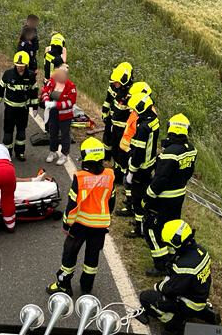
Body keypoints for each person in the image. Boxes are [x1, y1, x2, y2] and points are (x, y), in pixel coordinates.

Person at [47, 137, 116, 296]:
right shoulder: (110, 175)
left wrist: (66, 225)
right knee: (92, 259)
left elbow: (72, 205)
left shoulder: (80, 178)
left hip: (79, 225)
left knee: (69, 255)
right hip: (99, 227)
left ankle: (63, 285)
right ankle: (86, 287)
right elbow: (111, 202)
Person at [136, 220, 219, 334]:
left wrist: (158, 286)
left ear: (176, 243)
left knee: (145, 297)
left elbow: (170, 290)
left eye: (169, 245)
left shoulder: (183, 266)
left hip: (188, 304)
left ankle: (175, 324)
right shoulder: (202, 251)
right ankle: (205, 313)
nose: (169, 247)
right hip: (200, 297)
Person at [144, 113, 196, 276]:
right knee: (172, 226)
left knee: (151, 228)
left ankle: (161, 264)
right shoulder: (191, 149)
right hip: (179, 195)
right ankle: (174, 256)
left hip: (164, 199)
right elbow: (188, 172)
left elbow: (160, 179)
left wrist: (148, 196)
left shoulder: (169, 153)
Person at [124, 81, 160, 238]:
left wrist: (132, 170)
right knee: (144, 195)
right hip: (150, 163)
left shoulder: (143, 127)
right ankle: (143, 222)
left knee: (138, 198)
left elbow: (138, 152)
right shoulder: (153, 120)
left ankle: (139, 228)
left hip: (141, 167)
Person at [0, 51, 39, 161]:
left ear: (26, 65)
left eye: (22, 66)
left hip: (23, 109)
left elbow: (34, 92)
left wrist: (35, 106)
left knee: (21, 132)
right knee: (8, 132)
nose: (20, 68)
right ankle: (7, 153)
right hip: (10, 109)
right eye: (18, 66)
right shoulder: (8, 74)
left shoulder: (31, 76)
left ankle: (20, 153)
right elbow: (0, 89)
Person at [42, 64, 78, 166]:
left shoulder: (71, 86)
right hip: (53, 113)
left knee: (65, 135)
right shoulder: (52, 82)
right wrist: (46, 101)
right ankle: (52, 152)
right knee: (52, 132)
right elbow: (45, 91)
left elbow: (71, 102)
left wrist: (55, 104)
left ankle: (64, 154)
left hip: (65, 115)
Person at [102, 61, 134, 165]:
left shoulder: (130, 94)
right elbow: (108, 100)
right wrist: (104, 112)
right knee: (107, 138)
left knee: (118, 147)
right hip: (112, 118)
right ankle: (107, 157)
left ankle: (117, 165)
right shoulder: (114, 87)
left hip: (122, 126)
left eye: (117, 83)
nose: (114, 84)